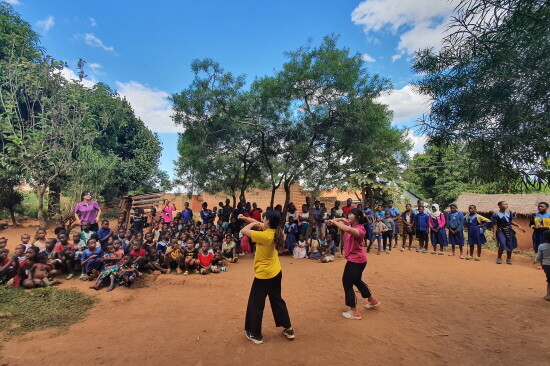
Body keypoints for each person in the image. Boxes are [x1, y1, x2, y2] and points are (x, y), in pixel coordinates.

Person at [239, 211, 294, 345]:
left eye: (263, 218)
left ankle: (255, 334)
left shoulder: (265, 236)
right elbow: (256, 223)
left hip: (264, 275)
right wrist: (245, 218)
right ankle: (289, 329)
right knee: (277, 300)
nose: (261, 219)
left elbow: (244, 231)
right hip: (276, 272)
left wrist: (251, 223)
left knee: (256, 304)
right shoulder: (277, 231)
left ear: (268, 220)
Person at [327, 208, 380, 320]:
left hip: (356, 260)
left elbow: (347, 229)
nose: (348, 215)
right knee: (357, 280)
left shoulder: (360, 230)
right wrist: (338, 219)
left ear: (357, 217)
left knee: (347, 283)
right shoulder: (351, 223)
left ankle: (354, 312)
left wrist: (336, 222)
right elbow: (343, 222)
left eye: (351, 214)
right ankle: (372, 301)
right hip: (358, 259)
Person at [533, 230, 550, 301]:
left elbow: (539, 257)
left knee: (549, 280)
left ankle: (548, 295)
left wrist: (535, 261)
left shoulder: (541, 246)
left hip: (546, 265)